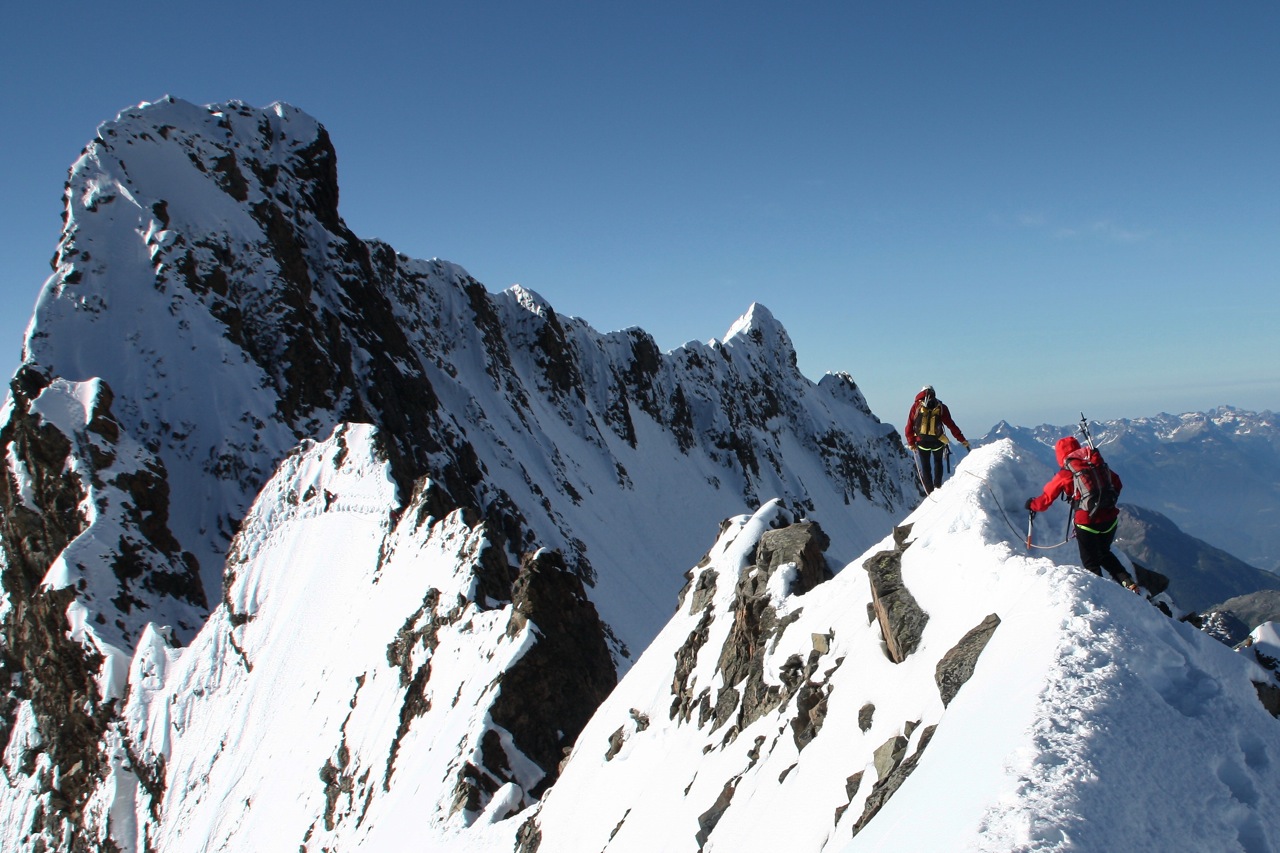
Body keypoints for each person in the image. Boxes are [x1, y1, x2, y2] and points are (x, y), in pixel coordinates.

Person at [1026, 436, 1138, 590]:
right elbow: (1117, 483)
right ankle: (1128, 582)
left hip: (1087, 523)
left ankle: (1102, 594)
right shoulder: (1096, 465)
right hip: (1110, 518)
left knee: (1091, 562)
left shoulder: (1066, 473)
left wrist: (1032, 505)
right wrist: (1104, 502)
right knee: (1104, 553)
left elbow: (1046, 499)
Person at [904, 385, 970, 494]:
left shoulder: (916, 406)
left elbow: (909, 426)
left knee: (925, 466)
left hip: (922, 442)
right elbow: (951, 425)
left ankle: (930, 492)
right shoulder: (941, 407)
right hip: (937, 441)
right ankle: (938, 486)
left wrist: (911, 442)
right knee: (938, 462)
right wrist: (962, 439)